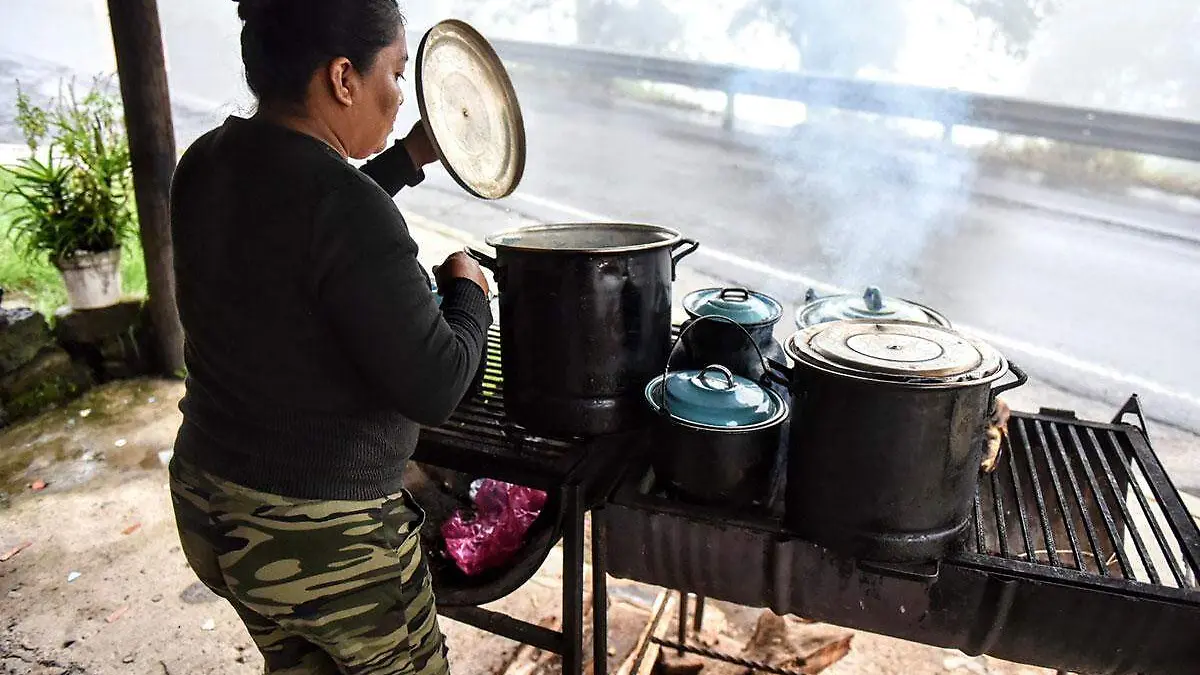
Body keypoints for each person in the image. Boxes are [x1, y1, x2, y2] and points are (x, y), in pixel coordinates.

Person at [167, 0, 492, 672]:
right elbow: (437, 383)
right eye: (398, 75)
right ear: (344, 78)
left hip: (211, 496)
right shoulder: (346, 209)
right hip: (319, 535)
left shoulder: (208, 160)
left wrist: (409, 157)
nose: (402, 97)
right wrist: (469, 293)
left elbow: (306, 216)